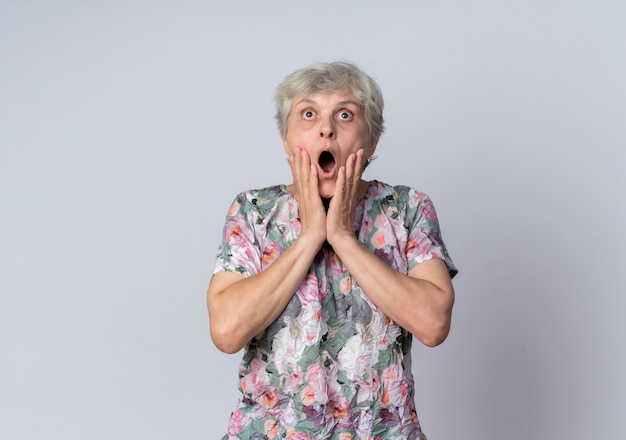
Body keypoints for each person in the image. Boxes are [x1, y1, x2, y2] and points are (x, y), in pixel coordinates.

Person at [207, 61, 458, 439]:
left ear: (371, 140)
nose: (326, 128)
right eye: (308, 114)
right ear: (286, 139)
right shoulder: (253, 212)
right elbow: (226, 332)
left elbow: (434, 324)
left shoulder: (407, 209)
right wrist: (309, 237)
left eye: (345, 114)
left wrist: (343, 238)